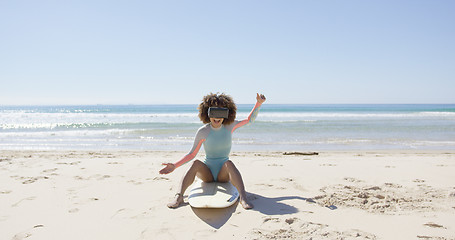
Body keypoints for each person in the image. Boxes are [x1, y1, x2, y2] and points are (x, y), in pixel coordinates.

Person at [159, 92, 266, 209]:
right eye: (214, 112)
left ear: (227, 113)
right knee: (195, 163)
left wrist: (258, 103)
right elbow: (192, 154)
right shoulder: (203, 131)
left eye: (221, 112)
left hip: (223, 174)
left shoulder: (229, 126)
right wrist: (175, 165)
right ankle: (179, 196)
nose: (217, 117)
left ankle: (243, 198)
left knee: (229, 163)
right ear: (207, 113)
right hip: (207, 173)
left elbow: (249, 120)